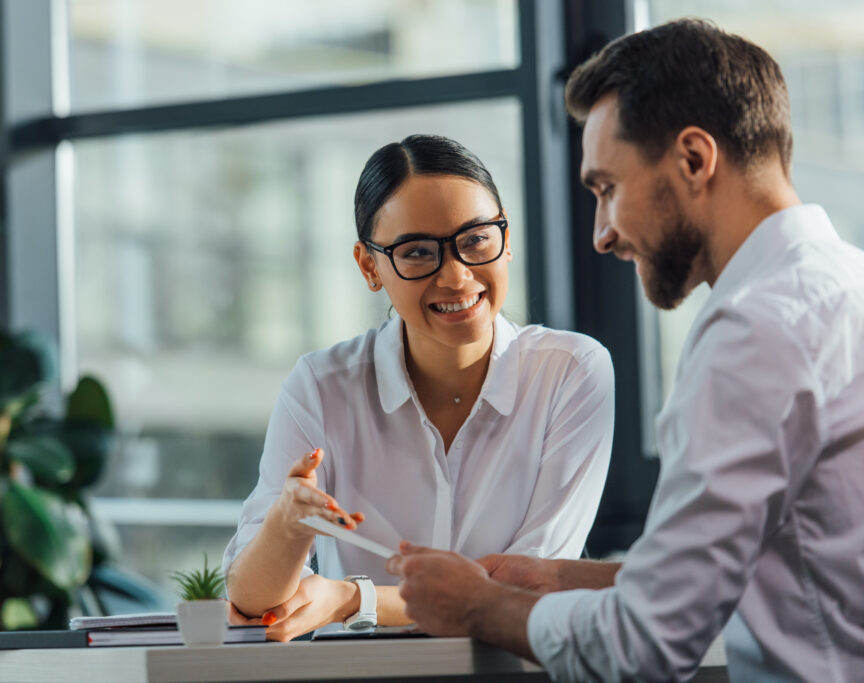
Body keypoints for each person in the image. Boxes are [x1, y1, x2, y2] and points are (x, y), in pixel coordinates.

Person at [386, 19, 864, 682]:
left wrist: (479, 606)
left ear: (695, 159)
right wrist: (559, 577)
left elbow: (643, 644)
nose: (601, 236)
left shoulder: (754, 333)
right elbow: (790, 564)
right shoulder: (846, 287)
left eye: (607, 188)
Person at [222, 134, 615, 641]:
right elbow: (251, 601)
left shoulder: (572, 372)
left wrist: (353, 598)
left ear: (507, 237)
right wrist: (287, 525)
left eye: (476, 239)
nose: (456, 276)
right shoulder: (321, 386)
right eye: (417, 252)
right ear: (370, 266)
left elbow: (531, 584)